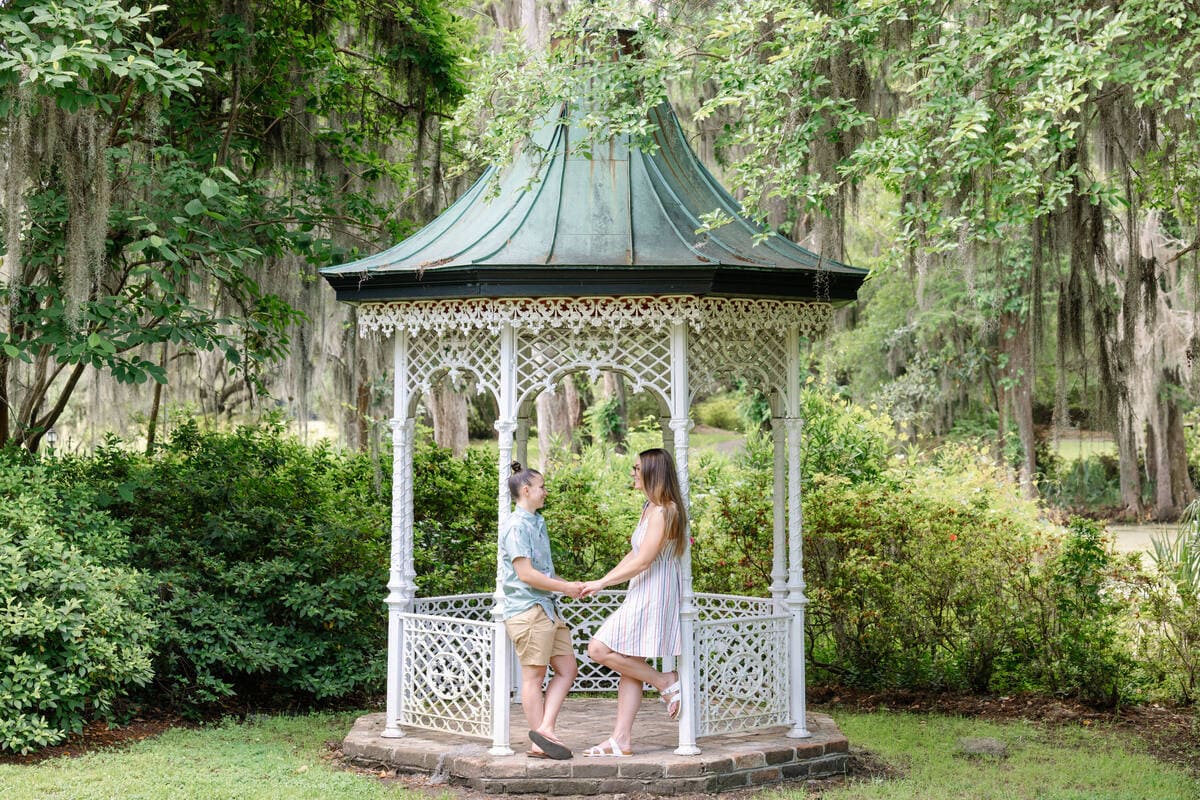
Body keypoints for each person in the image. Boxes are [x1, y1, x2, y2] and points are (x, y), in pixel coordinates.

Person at [579, 448, 685, 757]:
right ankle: (620, 740)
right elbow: (634, 554)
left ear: (654, 472)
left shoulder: (666, 510)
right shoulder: (649, 507)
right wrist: (602, 580)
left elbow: (645, 561)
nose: (633, 473)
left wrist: (603, 583)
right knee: (629, 663)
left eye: (637, 468)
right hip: (641, 588)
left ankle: (664, 680)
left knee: (598, 649)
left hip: (656, 589)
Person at [499, 461, 583, 760]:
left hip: (547, 608)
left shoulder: (536, 522)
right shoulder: (516, 526)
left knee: (567, 669)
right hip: (528, 610)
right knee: (534, 677)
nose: (545, 492)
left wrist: (571, 585)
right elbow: (526, 575)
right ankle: (539, 741)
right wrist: (564, 588)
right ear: (526, 490)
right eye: (542, 487)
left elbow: (544, 572)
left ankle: (544, 729)